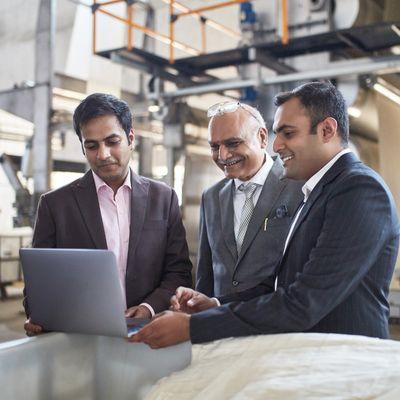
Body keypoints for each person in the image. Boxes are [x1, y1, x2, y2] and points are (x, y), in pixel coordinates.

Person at [130, 81, 400, 348]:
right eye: (277, 133)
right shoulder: (320, 190)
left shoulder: (359, 189)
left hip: (348, 359)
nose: (276, 145)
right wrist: (214, 304)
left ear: (327, 130)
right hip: (312, 354)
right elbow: (280, 285)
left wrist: (194, 327)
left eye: (288, 133)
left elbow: (305, 301)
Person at [24, 93, 192, 336]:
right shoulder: (55, 205)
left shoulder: (163, 198)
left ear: (130, 138)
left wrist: (148, 308)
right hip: (79, 338)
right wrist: (38, 315)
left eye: (112, 141)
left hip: (148, 334)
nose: (102, 154)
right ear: (83, 148)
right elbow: (38, 283)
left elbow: (179, 271)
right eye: (91, 145)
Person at [196, 102, 302, 299]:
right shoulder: (211, 197)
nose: (223, 155)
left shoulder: (299, 187)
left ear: (262, 137)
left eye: (233, 143)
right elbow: (206, 275)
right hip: (222, 324)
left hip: (279, 324)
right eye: (214, 146)